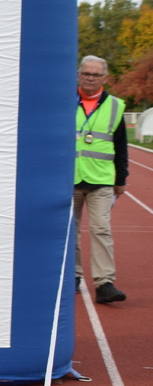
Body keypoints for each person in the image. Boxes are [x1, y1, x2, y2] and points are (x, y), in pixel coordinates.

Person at [74, 55, 128, 303]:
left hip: (101, 180)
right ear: (79, 75)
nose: (90, 78)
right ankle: (72, 276)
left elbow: (121, 146)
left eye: (96, 75)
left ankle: (104, 283)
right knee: (70, 232)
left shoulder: (115, 106)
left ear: (104, 78)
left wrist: (121, 179)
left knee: (101, 230)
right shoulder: (64, 101)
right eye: (86, 73)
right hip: (69, 179)